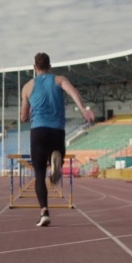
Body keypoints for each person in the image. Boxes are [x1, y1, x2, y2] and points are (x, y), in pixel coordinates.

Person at [20, 52, 95, 227]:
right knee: (58, 153)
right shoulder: (59, 80)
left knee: (39, 175)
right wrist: (83, 109)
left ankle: (44, 211)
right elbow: (74, 93)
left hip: (38, 131)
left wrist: (28, 113)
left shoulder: (27, 86)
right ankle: (56, 160)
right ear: (50, 66)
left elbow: (23, 117)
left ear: (34, 67)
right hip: (57, 131)